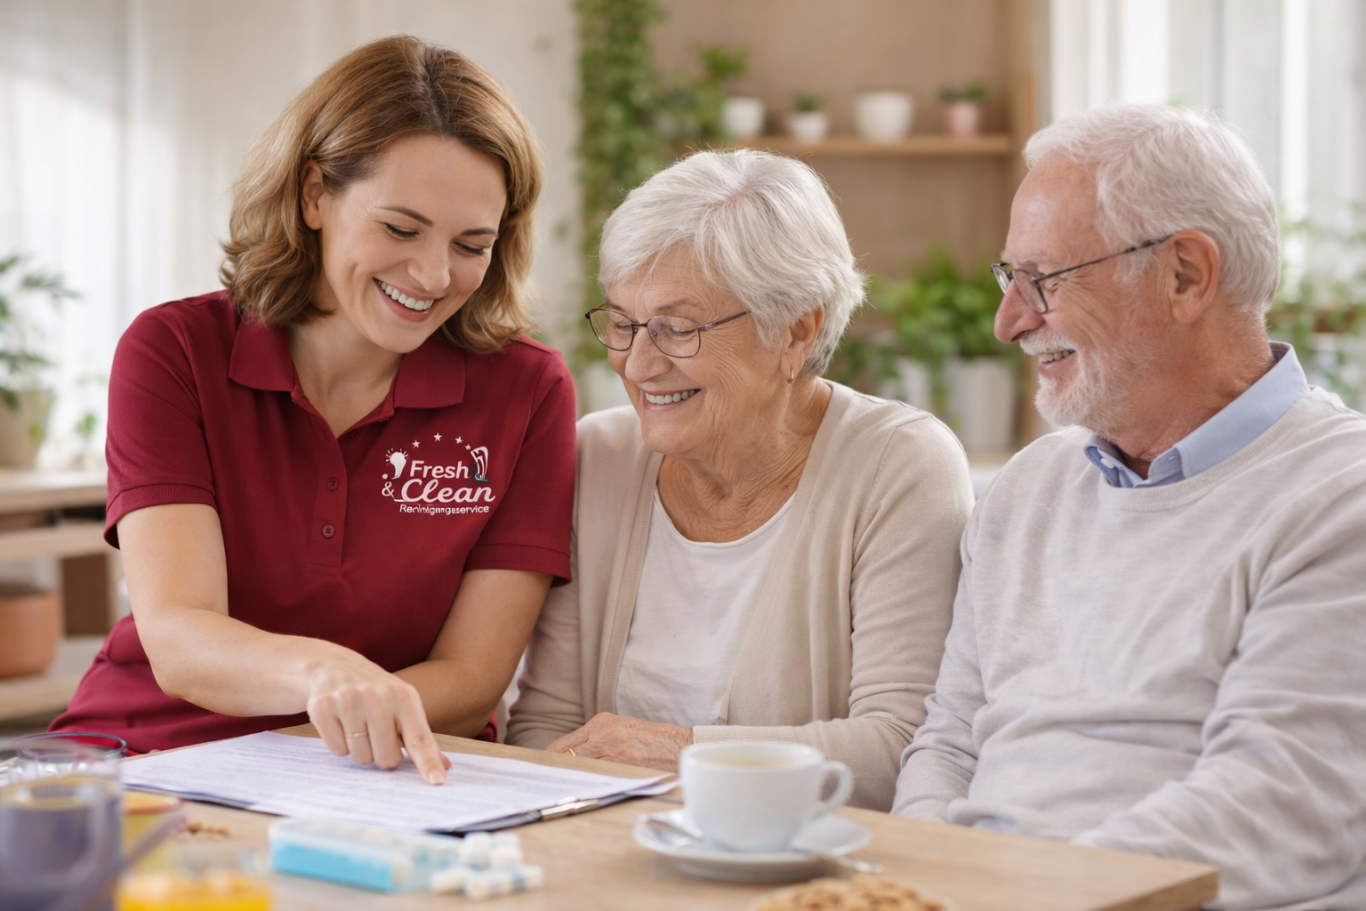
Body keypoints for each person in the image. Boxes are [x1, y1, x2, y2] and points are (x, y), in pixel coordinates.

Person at [51, 36, 576, 785]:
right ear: (313, 195)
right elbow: (179, 635)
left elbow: (473, 674)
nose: (432, 275)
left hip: (383, 771)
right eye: (400, 228)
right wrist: (325, 673)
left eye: (471, 243)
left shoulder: (528, 391)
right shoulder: (174, 351)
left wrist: (315, 748)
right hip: (147, 755)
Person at [892, 103, 1366, 909]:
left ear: (1185, 274)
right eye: (1011, 279)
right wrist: (920, 885)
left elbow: (1281, 807)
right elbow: (948, 742)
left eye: (1044, 279)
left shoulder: (1339, 494)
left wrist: (1011, 897)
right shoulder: (1028, 488)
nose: (1010, 321)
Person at [508, 149, 973, 811]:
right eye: (622, 323)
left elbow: (905, 747)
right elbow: (546, 730)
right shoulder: (598, 459)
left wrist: (684, 753)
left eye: (676, 328)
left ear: (795, 330)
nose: (638, 364)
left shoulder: (897, 466)